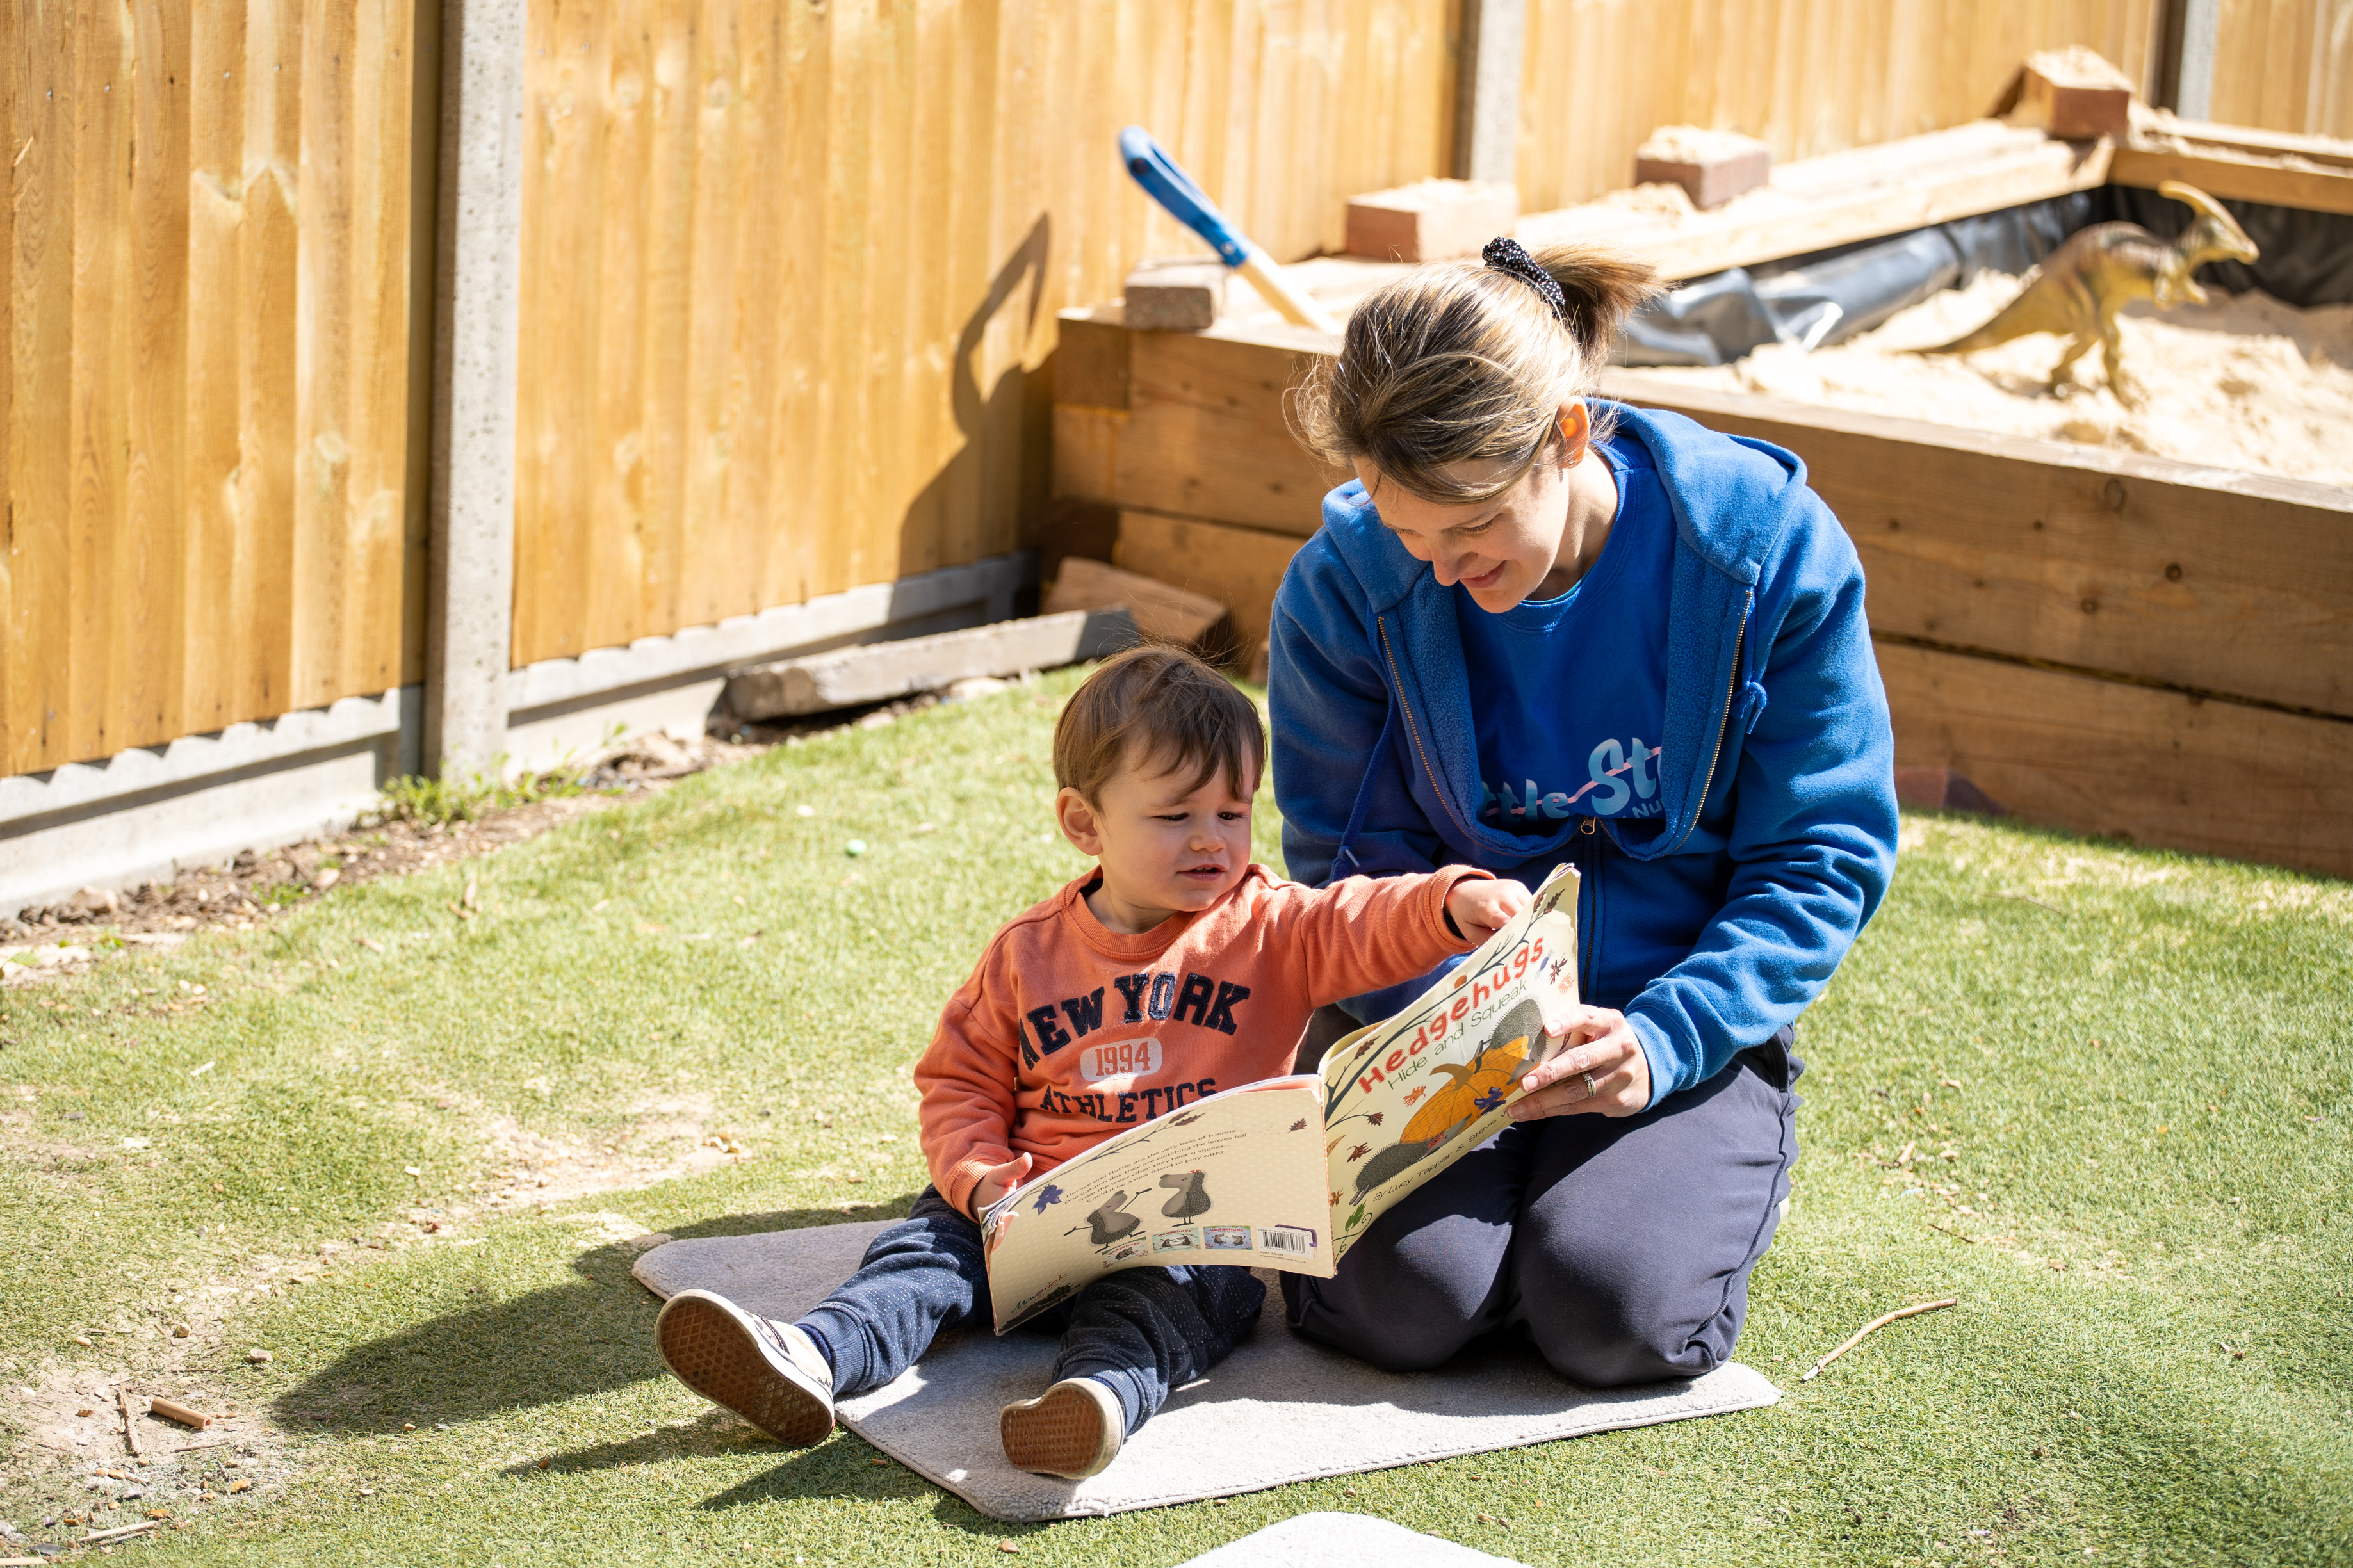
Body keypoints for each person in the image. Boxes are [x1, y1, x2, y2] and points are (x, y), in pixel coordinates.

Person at [1267, 238, 1899, 1387]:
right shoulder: (1346, 581)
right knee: (1399, 1307)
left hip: (1670, 1017)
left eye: (1470, 526)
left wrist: (1666, 1040)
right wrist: (1451, 1029)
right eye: (1408, 534)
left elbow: (1821, 851)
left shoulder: (1761, 548)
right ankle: (1514, 1240)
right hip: (1437, 1025)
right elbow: (1345, 861)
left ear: (1568, 434)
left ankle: (1600, 1219)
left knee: (1612, 1312)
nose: (1440, 571)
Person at [654, 644, 1524, 1478]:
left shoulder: (1270, 925)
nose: (1212, 841)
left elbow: (1360, 918)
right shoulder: (1026, 954)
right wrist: (981, 1183)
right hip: (1025, 1213)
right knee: (919, 1259)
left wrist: (1451, 903)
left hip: (1186, 1227)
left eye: (1232, 812)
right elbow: (960, 1082)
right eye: (1175, 816)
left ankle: (1093, 1400)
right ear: (1083, 822)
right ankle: (813, 1353)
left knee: (1159, 1306)